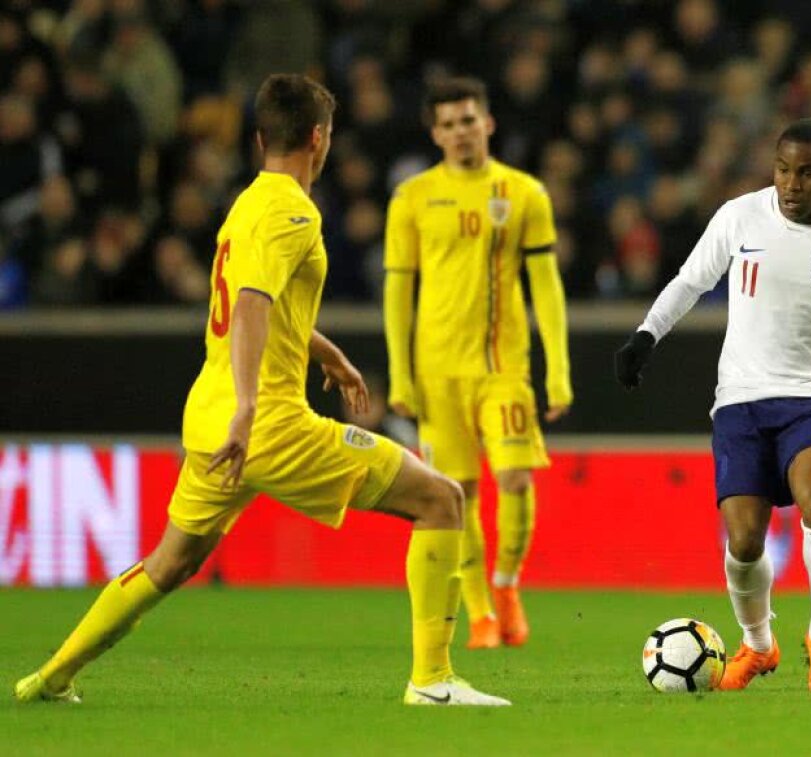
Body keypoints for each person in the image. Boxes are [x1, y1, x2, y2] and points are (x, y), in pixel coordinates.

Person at [14, 74, 508, 707]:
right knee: (440, 499)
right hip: (267, 424)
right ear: (319, 139)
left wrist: (323, 351)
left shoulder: (247, 204)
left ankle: (51, 677)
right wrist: (251, 408)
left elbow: (261, 300)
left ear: (258, 139)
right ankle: (434, 681)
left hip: (211, 417)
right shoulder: (294, 211)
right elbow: (249, 304)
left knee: (170, 564)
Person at [615, 119, 811, 692]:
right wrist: (646, 335)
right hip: (741, 400)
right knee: (744, 541)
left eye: (807, 173)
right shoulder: (738, 216)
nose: (791, 184)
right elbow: (690, 281)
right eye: (783, 170)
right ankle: (759, 644)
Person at [384, 77, 571, 650]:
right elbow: (398, 292)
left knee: (514, 478)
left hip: (502, 368)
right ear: (435, 133)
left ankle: (507, 584)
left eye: (469, 119)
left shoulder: (524, 194)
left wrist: (557, 370)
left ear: (487, 122)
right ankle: (481, 613)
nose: (461, 131)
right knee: (455, 493)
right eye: (449, 124)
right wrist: (399, 375)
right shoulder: (412, 198)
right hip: (437, 372)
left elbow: (546, 286)